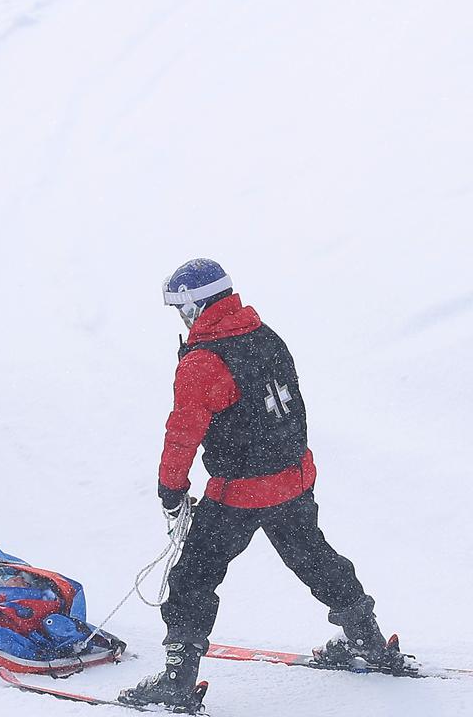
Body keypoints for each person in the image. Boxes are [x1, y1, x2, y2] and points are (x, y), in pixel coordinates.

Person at [119, 259, 408, 711]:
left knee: (193, 579)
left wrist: (171, 490)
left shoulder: (203, 361)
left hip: (240, 493)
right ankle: (366, 639)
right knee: (315, 559)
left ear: (196, 307)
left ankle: (177, 681)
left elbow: (182, 434)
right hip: (292, 482)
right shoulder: (265, 335)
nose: (180, 318)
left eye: (181, 309)